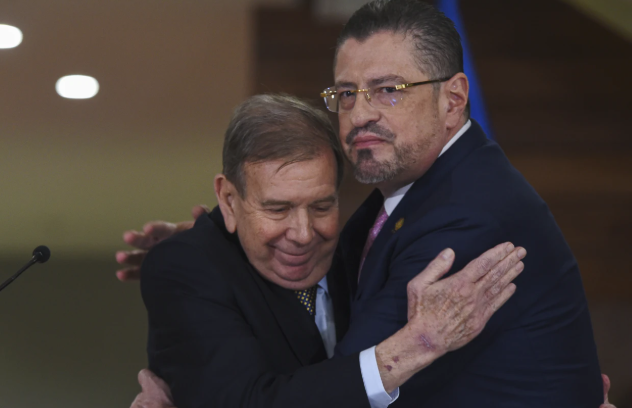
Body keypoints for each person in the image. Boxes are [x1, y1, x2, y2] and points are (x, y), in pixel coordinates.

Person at [119, 0, 609, 406]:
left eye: (388, 91)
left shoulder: (464, 216)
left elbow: (346, 388)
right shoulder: (399, 204)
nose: (360, 114)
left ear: (454, 98)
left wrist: (416, 345)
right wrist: (215, 244)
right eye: (347, 94)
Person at [139, 94, 524, 408]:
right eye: (278, 209)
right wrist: (414, 346)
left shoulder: (359, 252)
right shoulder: (186, 267)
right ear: (228, 199)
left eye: (322, 206)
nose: (304, 234)